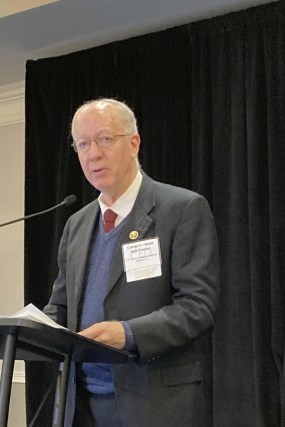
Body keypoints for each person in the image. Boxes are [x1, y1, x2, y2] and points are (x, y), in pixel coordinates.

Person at [43, 98, 219, 426]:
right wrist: (26, 327)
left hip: (153, 402)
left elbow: (198, 307)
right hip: (80, 403)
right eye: (82, 143)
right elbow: (61, 308)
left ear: (134, 142)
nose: (93, 153)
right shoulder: (77, 224)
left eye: (105, 139)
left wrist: (128, 333)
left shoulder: (181, 209)